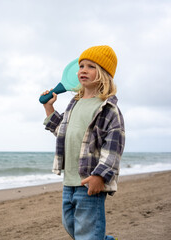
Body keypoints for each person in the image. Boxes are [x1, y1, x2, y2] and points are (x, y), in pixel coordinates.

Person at [42, 45, 125, 240]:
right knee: (71, 225)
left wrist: (100, 176)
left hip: (90, 182)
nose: (83, 70)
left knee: (87, 233)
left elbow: (113, 148)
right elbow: (63, 132)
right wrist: (49, 109)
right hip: (69, 181)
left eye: (90, 66)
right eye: (80, 66)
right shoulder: (74, 104)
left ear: (104, 74)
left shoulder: (108, 109)